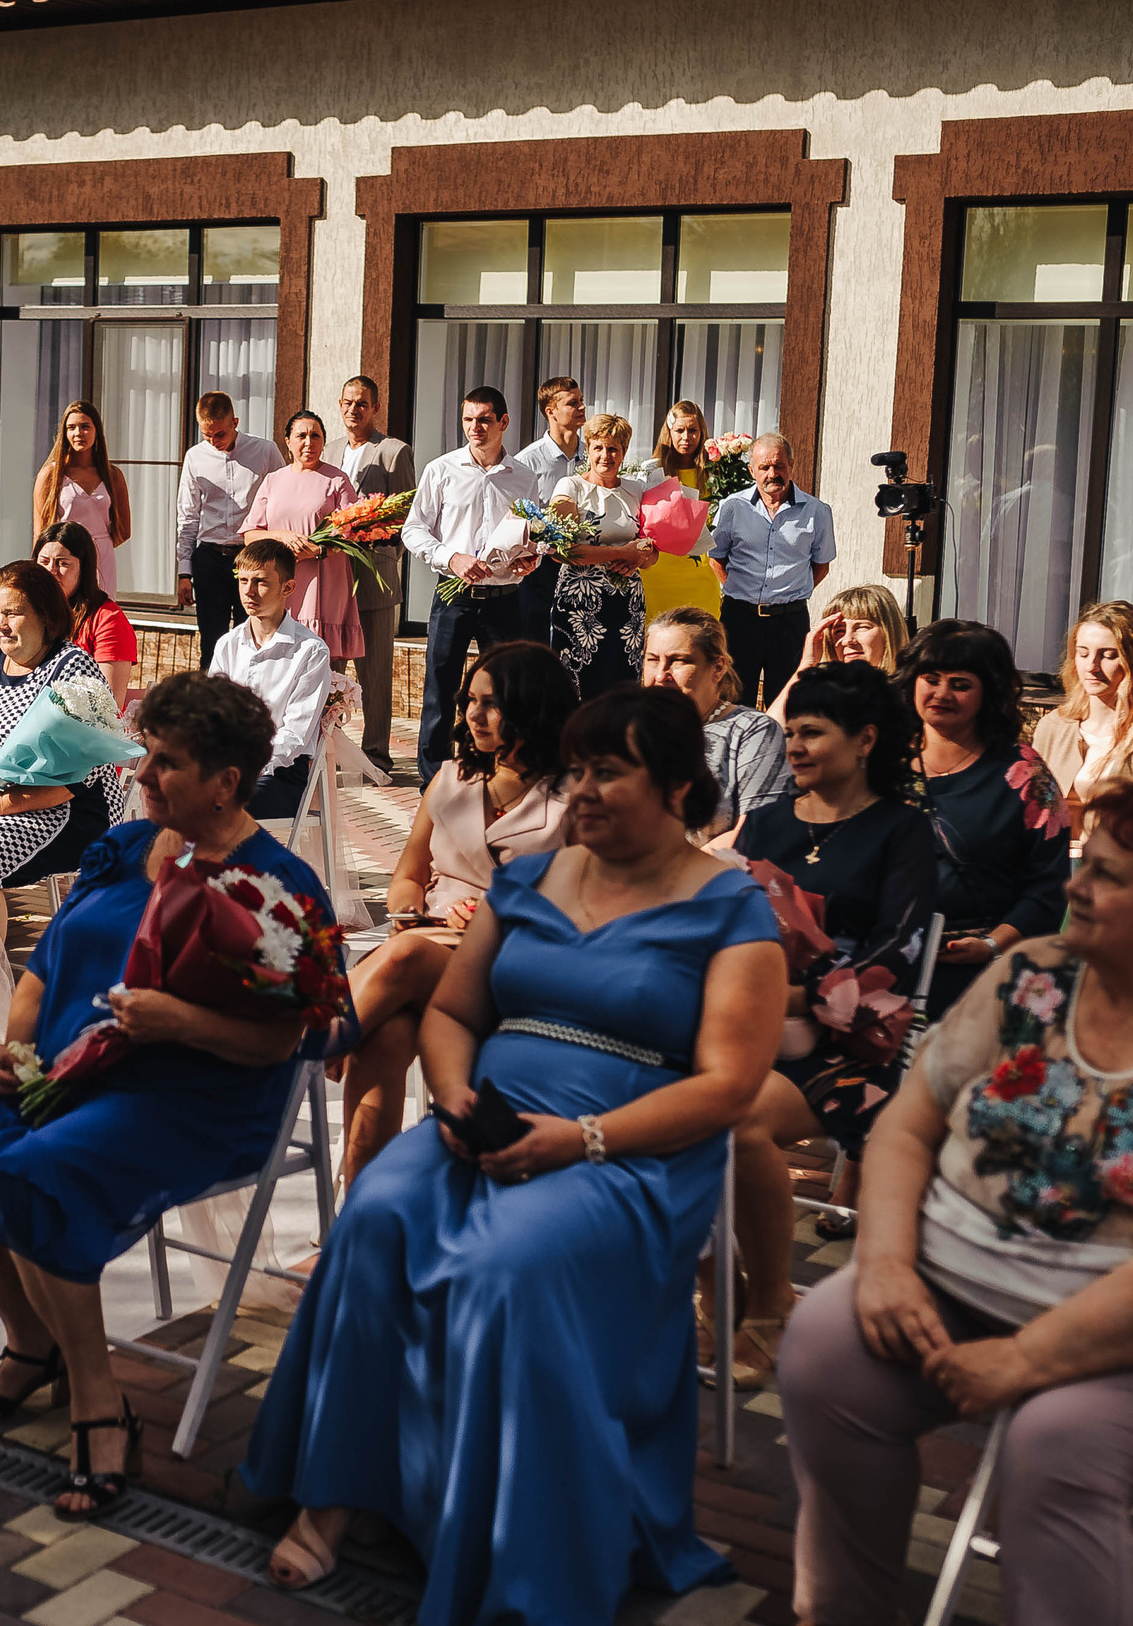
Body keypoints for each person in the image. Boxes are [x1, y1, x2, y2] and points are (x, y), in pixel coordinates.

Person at [245, 686, 786, 1620]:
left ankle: (498, 1537)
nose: (581, 790)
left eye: (607, 772)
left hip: (632, 1149)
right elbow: (454, 1011)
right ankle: (337, 1490)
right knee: (375, 1219)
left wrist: (581, 1140)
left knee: (510, 1263)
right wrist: (454, 1095)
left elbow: (729, 1087)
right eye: (576, 769)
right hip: (492, 1115)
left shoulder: (733, 912)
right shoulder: (532, 883)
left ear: (677, 787)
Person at [781, 774, 1133, 1626]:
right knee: (826, 1346)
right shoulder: (1033, 977)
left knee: (1059, 1442)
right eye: (1087, 861)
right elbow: (907, 1128)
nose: (1074, 883)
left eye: (1109, 876)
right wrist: (888, 1266)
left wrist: (1026, 1360)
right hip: (991, 1284)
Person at [0, 673, 341, 1519]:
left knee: (35, 1172)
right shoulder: (123, 849)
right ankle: (33, 1344)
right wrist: (11, 1050)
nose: (141, 776)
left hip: (196, 1097)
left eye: (165, 764)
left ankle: (100, 1402)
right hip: (65, 1078)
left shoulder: (278, 887)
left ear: (226, 783)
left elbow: (292, 1043)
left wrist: (178, 1020)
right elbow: (45, 969)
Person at [720, 661, 934, 1387]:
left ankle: (772, 1302)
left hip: (850, 1045)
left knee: (735, 1123)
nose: (795, 747)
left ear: (866, 738)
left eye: (812, 732)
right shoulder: (771, 821)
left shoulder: (903, 831)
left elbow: (895, 954)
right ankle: (713, 1287)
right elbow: (726, 927)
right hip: (746, 1027)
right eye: (789, 733)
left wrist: (786, 995)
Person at [325, 640, 571, 1187]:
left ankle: (312, 1036)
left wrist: (499, 911)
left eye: (492, 703)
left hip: (518, 962)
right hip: (432, 946)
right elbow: (406, 877)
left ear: (532, 705)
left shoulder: (574, 798)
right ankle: (360, 1209)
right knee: (386, 1037)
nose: (474, 716)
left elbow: (584, 903)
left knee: (406, 952)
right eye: (471, 701)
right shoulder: (451, 779)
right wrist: (409, 909)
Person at [903, 620, 1072, 1013]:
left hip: (988, 978)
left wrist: (993, 943)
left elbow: (1049, 885)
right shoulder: (876, 764)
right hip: (881, 970)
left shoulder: (1025, 775)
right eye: (931, 678)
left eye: (960, 684)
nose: (941, 693)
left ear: (988, 693)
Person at [0, 561, 128, 917]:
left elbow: (81, 775)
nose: (1, 625)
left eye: (12, 613)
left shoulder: (72, 667)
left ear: (44, 614)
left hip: (60, 810)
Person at [404, 387, 547, 783]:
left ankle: (500, 770)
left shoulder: (523, 476)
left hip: (505, 599)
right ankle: (433, 779)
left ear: (504, 422)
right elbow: (413, 531)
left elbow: (532, 533)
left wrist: (531, 555)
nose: (475, 427)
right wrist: (452, 558)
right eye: (468, 419)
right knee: (440, 690)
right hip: (454, 597)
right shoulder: (441, 470)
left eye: (484, 419)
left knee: (504, 690)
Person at [706, 432, 835, 707]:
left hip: (789, 622)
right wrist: (736, 589)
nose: (772, 473)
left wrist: (791, 590)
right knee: (732, 701)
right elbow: (716, 557)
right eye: (764, 467)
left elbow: (821, 564)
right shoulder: (732, 508)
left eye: (779, 465)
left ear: (792, 465)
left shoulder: (817, 511)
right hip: (740, 619)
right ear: (752, 470)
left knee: (789, 704)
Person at [205, 540, 331, 821]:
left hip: (281, 772)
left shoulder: (310, 651)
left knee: (218, 807)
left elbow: (295, 734)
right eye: (244, 580)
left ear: (287, 588)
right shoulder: (228, 644)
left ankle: (217, 865)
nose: (249, 591)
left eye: (261, 582)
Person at [642, 606, 786, 846]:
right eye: (652, 660)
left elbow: (756, 830)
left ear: (718, 668)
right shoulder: (625, 728)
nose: (660, 675)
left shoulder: (752, 732)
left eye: (678, 661)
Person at [1030, 598, 1133, 815]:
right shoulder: (1053, 726)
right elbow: (1030, 808)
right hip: (1052, 849)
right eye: (1083, 653)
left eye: (1108, 655)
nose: (1092, 666)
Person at [550, 413, 662, 699]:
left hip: (627, 604)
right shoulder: (570, 488)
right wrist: (620, 553)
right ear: (587, 449)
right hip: (579, 603)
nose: (605, 455)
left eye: (613, 448)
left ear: (624, 452)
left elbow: (653, 554)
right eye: (598, 447)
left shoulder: (637, 490)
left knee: (623, 686)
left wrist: (641, 557)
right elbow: (561, 552)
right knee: (576, 686)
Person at [241, 410, 364, 667]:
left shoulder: (337, 480)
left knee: (323, 669)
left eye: (315, 436)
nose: (309, 442)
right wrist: (281, 537)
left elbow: (353, 535)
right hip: (280, 583)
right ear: (287, 441)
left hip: (325, 582)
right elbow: (250, 534)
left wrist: (317, 551)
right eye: (301, 436)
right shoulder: (273, 480)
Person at [336, 375, 414, 772]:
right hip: (331, 583)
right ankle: (326, 751)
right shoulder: (327, 449)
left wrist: (385, 558)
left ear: (375, 408)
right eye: (348, 402)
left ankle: (376, 756)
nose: (354, 410)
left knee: (375, 675)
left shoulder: (393, 452)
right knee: (328, 669)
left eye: (362, 403)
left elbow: (405, 518)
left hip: (374, 579)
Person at [175, 391, 286, 663]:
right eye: (207, 435)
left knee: (253, 636)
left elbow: (282, 501)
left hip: (253, 558)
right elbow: (187, 516)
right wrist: (184, 572)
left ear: (235, 422)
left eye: (220, 434)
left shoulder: (266, 451)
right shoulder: (195, 457)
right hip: (210, 558)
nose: (214, 442)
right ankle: (209, 703)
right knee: (211, 643)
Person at [765, 581, 907, 721]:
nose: (847, 640)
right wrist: (806, 666)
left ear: (889, 632)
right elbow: (770, 731)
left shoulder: (908, 692)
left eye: (862, 627)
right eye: (839, 630)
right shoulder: (826, 693)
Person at [32, 401, 131, 597]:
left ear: (96, 431)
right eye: (71, 427)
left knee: (100, 612)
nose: (78, 433)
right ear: (64, 433)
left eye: (85, 426)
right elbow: (39, 532)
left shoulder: (113, 475)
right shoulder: (51, 474)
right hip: (63, 558)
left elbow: (124, 530)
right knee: (65, 612)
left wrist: (98, 545)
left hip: (102, 557)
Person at [35, 521, 137, 709]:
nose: (51, 571)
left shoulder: (108, 619)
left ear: (83, 569)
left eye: (62, 563)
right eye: (44, 562)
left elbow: (108, 704)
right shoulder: (30, 612)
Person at [642, 399, 723, 620]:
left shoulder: (714, 474)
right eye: (679, 430)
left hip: (700, 572)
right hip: (657, 571)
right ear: (669, 432)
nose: (686, 437)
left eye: (693, 430)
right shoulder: (651, 472)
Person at [512, 374, 589, 498]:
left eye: (581, 400)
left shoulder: (594, 456)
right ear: (551, 412)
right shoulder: (527, 462)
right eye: (572, 403)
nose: (582, 407)